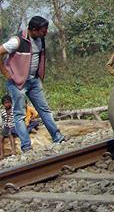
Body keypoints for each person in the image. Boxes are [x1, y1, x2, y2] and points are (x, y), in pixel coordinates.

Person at [0, 16, 65, 152]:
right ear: (34, 30)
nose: (45, 33)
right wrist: (5, 72)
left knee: (44, 109)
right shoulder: (16, 41)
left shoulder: (40, 39)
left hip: (33, 80)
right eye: (43, 31)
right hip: (17, 82)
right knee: (19, 114)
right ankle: (26, 147)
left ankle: (57, 137)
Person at [0, 95, 16, 159]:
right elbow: (3, 120)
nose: (7, 104)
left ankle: (13, 150)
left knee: (10, 134)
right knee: (0, 138)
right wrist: (2, 127)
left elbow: (16, 119)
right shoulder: (2, 111)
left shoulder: (14, 109)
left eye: (8, 102)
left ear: (11, 102)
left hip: (13, 126)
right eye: (5, 103)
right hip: (5, 127)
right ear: (3, 104)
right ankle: (2, 154)